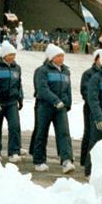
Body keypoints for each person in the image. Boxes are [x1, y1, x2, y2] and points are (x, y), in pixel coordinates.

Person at [33, 44, 76, 174]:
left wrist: (67, 103)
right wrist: (55, 100)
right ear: (52, 57)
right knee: (41, 133)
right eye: (59, 56)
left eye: (63, 56)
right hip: (45, 106)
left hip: (61, 107)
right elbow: (42, 89)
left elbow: (68, 88)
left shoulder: (66, 71)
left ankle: (66, 160)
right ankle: (39, 161)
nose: (62, 58)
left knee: (64, 133)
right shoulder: (43, 70)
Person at [0, 41, 24, 161]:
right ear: (4, 55)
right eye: (10, 55)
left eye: (14, 55)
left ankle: (14, 152)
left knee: (15, 126)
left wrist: (20, 98)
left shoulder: (17, 68)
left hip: (11, 102)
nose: (12, 57)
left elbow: (18, 85)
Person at [79, 50, 102, 166]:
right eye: (100, 58)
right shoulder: (88, 74)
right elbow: (85, 91)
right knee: (89, 133)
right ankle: (84, 160)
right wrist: (94, 104)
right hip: (90, 108)